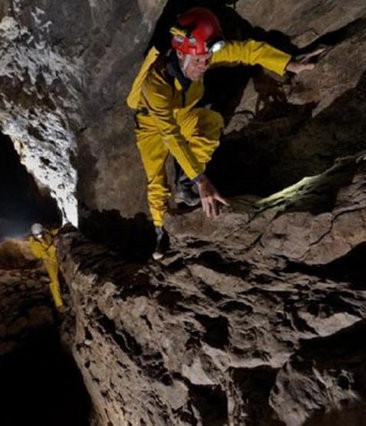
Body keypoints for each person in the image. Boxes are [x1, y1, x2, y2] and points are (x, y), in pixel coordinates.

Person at [127, 7, 323, 260]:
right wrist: (203, 180)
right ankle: (160, 232)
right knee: (156, 180)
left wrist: (289, 63)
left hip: (181, 113)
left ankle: (186, 184)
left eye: (207, 59)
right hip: (153, 123)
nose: (204, 66)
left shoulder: (200, 53)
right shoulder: (155, 83)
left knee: (211, 123)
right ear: (180, 53)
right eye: (198, 61)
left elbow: (246, 50)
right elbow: (170, 135)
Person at [28, 223, 64, 309]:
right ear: (33, 234)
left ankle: (64, 289)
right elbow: (45, 255)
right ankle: (59, 304)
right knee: (54, 281)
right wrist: (54, 247)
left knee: (62, 275)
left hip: (57, 255)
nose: (39, 236)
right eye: (37, 235)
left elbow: (51, 233)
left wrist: (61, 229)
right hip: (50, 262)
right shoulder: (33, 244)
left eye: (40, 233)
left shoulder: (45, 232)